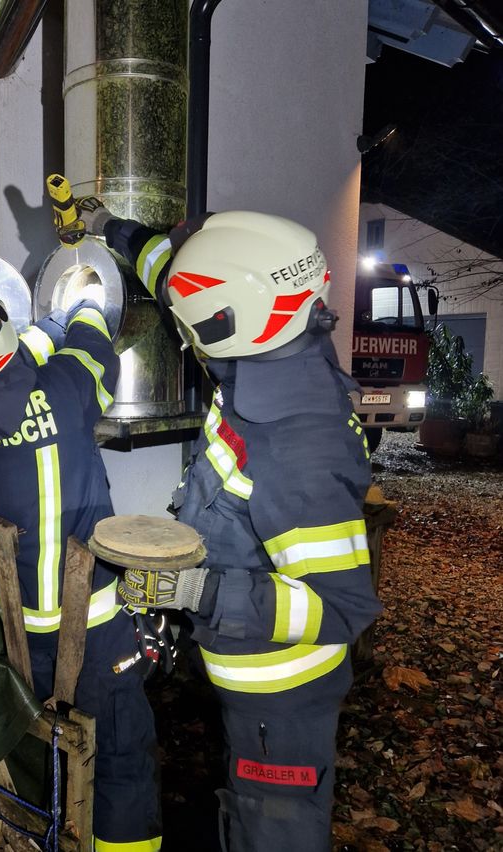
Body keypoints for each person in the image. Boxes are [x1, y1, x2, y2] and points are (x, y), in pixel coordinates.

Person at [70, 202, 382, 851]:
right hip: (245, 674)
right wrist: (106, 228)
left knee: (271, 827)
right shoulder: (267, 346)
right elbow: (169, 272)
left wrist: (198, 594)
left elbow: (340, 608)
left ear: (221, 322)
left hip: (281, 697)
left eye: (193, 327)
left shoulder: (299, 449)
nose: (189, 341)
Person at [0, 270, 162, 852]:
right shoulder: (70, 390)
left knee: (47, 751)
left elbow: (10, 368)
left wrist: (44, 327)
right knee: (123, 760)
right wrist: (85, 302)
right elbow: (94, 349)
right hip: (93, 633)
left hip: (13, 637)